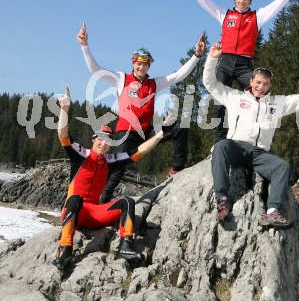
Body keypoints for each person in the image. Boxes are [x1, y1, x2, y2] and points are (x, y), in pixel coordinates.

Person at [77, 24, 206, 203]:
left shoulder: (154, 83)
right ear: (133, 64)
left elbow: (178, 76)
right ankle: (100, 201)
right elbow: (95, 70)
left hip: (147, 133)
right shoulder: (121, 79)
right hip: (126, 135)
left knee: (179, 127)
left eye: (145, 64)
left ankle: (177, 168)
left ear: (149, 66)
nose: (142, 67)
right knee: (116, 170)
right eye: (139, 63)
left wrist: (197, 55)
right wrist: (85, 46)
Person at [203, 42, 299, 226]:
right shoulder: (235, 97)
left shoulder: (277, 103)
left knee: (282, 166)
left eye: (265, 84)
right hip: (235, 147)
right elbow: (210, 83)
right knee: (220, 146)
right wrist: (212, 58)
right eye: (258, 82)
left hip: (259, 154)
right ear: (251, 81)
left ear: (270, 85)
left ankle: (272, 211)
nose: (261, 86)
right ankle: (222, 200)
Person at [181, 0, 299, 143]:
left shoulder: (257, 17)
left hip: (243, 64)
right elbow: (203, 0)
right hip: (224, 61)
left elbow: (278, 3)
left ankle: (255, 137)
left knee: (258, 94)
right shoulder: (224, 14)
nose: (242, 0)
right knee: (220, 101)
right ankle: (219, 143)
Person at [53, 87, 166, 270]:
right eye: (101, 139)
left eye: (108, 141)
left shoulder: (111, 160)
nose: (104, 143)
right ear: (94, 139)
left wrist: (160, 134)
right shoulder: (80, 154)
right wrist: (64, 109)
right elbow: (63, 135)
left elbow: (139, 152)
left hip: (96, 214)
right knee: (74, 199)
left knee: (127, 201)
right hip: (76, 212)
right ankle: (65, 248)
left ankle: (126, 245)